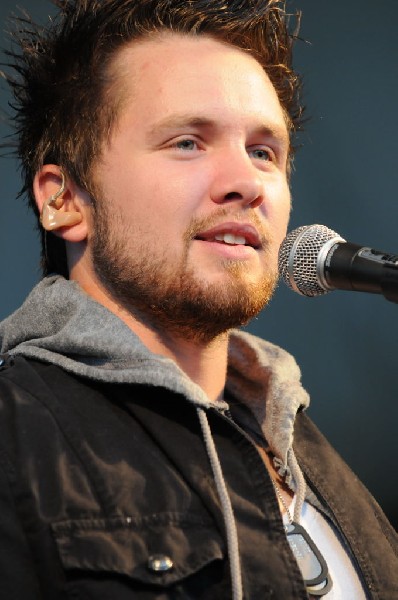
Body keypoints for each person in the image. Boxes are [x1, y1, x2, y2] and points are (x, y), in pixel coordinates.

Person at [0, 0, 396, 598]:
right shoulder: (14, 439)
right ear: (65, 200)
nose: (246, 182)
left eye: (265, 152)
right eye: (187, 142)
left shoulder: (318, 462)